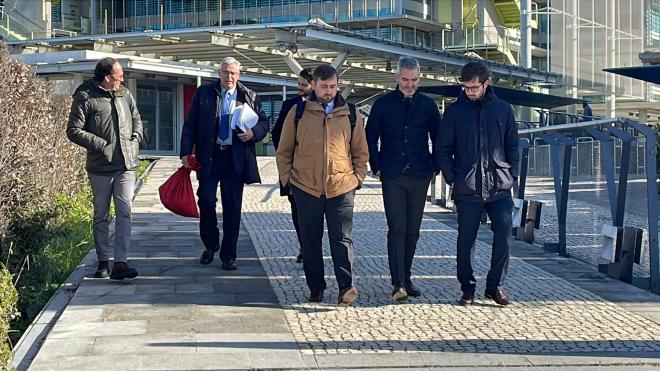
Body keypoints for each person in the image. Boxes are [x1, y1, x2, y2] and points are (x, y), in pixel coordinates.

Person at [276, 64, 369, 305]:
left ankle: (346, 287)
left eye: (333, 86)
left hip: (341, 186)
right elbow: (284, 151)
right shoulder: (298, 112)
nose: (329, 91)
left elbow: (360, 151)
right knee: (310, 240)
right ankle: (316, 287)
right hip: (306, 187)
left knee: (342, 239)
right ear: (314, 85)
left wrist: (356, 179)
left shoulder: (350, 113)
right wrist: (289, 181)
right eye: (324, 86)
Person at [436, 61, 519, 306]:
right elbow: (443, 149)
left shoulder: (503, 110)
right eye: (466, 87)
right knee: (466, 239)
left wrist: (511, 175)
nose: (469, 92)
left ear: (486, 83)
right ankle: (467, 288)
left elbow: (513, 146)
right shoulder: (454, 112)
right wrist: (454, 177)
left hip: (499, 187)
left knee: (503, 235)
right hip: (467, 187)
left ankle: (495, 286)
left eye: (474, 87)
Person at [180, 57, 270, 271]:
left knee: (232, 207)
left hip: (234, 157)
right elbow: (190, 124)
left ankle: (229, 255)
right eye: (225, 72)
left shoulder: (249, 96)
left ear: (238, 75)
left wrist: (253, 133)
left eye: (233, 73)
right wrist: (185, 152)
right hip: (210, 156)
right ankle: (211, 245)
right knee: (207, 201)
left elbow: (265, 123)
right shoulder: (204, 94)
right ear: (219, 73)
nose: (229, 77)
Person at [366, 56, 440, 301]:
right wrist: (376, 167)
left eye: (414, 80)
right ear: (397, 77)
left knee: (413, 231)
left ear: (419, 78)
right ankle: (397, 282)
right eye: (406, 80)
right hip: (393, 174)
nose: (410, 84)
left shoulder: (428, 105)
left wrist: (434, 167)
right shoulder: (383, 104)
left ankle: (406, 277)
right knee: (397, 228)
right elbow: (370, 136)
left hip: (420, 174)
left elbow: (439, 138)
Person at [67, 57, 143, 280]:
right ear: (107, 77)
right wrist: (101, 145)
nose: (122, 80)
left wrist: (136, 136)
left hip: (127, 165)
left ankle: (120, 263)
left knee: (124, 212)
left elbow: (136, 117)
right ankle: (102, 262)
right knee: (101, 215)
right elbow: (73, 130)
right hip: (100, 167)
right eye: (119, 76)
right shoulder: (85, 96)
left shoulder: (124, 94)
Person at [271, 68, 314, 264]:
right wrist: (287, 159)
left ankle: (312, 245)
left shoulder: (327, 106)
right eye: (298, 83)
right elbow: (277, 133)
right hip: (294, 170)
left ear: (314, 85)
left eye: (303, 85)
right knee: (297, 209)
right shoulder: (289, 105)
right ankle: (305, 246)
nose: (299, 88)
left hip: (317, 170)